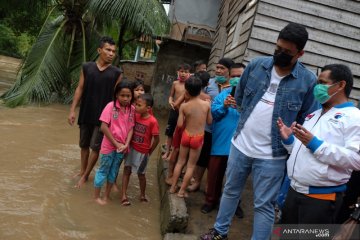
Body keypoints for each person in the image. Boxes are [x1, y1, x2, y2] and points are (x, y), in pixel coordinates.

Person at [200, 22, 319, 240]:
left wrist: (290, 140)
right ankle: (219, 231)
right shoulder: (256, 66)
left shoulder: (308, 81)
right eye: (278, 48)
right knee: (230, 191)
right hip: (241, 145)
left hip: (272, 155)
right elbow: (242, 99)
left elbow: (308, 119)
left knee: (264, 205)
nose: (279, 54)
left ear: (300, 53)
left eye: (287, 52)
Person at [278, 64, 360, 224]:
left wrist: (315, 144)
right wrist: (289, 140)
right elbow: (302, 151)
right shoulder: (314, 114)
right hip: (295, 190)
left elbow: (356, 159)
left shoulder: (354, 117)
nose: (317, 87)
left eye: (322, 82)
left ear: (341, 85)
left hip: (321, 198)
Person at [68, 36, 122, 188]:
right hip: (85, 112)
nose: (111, 54)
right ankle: (82, 170)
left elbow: (116, 97)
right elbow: (80, 88)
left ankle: (85, 176)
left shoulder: (116, 73)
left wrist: (116, 119)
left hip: (103, 118)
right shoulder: (87, 67)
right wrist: (72, 110)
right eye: (108, 50)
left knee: (95, 147)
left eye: (113, 51)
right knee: (83, 145)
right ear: (99, 50)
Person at [200, 63, 244, 214]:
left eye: (240, 76)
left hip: (240, 145)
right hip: (220, 142)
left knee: (236, 178)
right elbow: (214, 115)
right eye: (234, 76)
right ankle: (210, 201)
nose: (237, 79)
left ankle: (235, 204)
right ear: (229, 77)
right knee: (214, 174)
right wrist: (224, 106)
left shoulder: (251, 99)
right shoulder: (222, 96)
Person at [188, 58, 234, 193]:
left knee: (216, 160)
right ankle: (196, 182)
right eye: (217, 67)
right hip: (207, 127)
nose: (218, 70)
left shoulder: (234, 86)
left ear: (229, 71)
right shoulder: (209, 83)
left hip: (223, 129)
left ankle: (210, 186)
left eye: (222, 68)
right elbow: (195, 91)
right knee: (202, 157)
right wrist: (206, 96)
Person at [165, 71, 211, 186]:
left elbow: (175, 105)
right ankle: (182, 184)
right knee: (191, 161)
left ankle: (170, 176)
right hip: (197, 132)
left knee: (176, 150)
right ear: (206, 85)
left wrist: (184, 111)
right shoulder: (206, 99)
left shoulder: (186, 94)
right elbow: (209, 120)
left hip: (183, 127)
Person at [93, 81, 135, 205]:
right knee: (103, 170)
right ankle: (96, 197)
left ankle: (106, 196)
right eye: (123, 95)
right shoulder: (110, 106)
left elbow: (131, 128)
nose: (126, 98)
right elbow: (103, 127)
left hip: (122, 147)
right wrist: (117, 144)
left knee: (114, 171)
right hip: (109, 146)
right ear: (116, 95)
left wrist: (126, 144)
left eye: (128, 96)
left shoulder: (132, 109)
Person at [121, 93, 160, 206]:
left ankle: (142, 194)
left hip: (143, 152)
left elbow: (157, 139)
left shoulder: (152, 121)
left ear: (148, 108)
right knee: (127, 170)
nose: (136, 107)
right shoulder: (135, 116)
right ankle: (124, 194)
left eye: (139, 105)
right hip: (131, 148)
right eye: (136, 104)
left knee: (141, 174)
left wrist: (149, 151)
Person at [162, 63, 191, 160]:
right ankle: (167, 152)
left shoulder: (190, 85)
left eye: (186, 72)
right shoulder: (175, 83)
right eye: (181, 71)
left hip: (183, 112)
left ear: (189, 74)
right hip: (174, 110)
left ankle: (172, 154)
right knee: (170, 132)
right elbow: (171, 95)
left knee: (177, 133)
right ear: (178, 72)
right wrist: (170, 100)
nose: (183, 74)